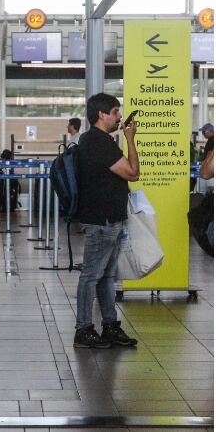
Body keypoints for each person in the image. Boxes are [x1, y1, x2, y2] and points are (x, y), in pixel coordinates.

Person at [73, 93, 140, 349]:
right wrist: (130, 140)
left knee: (105, 276)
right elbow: (133, 173)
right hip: (102, 220)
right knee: (92, 275)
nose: (119, 117)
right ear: (102, 114)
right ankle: (83, 329)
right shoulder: (97, 141)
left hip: (110, 218)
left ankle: (110, 326)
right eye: (115, 111)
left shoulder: (97, 141)